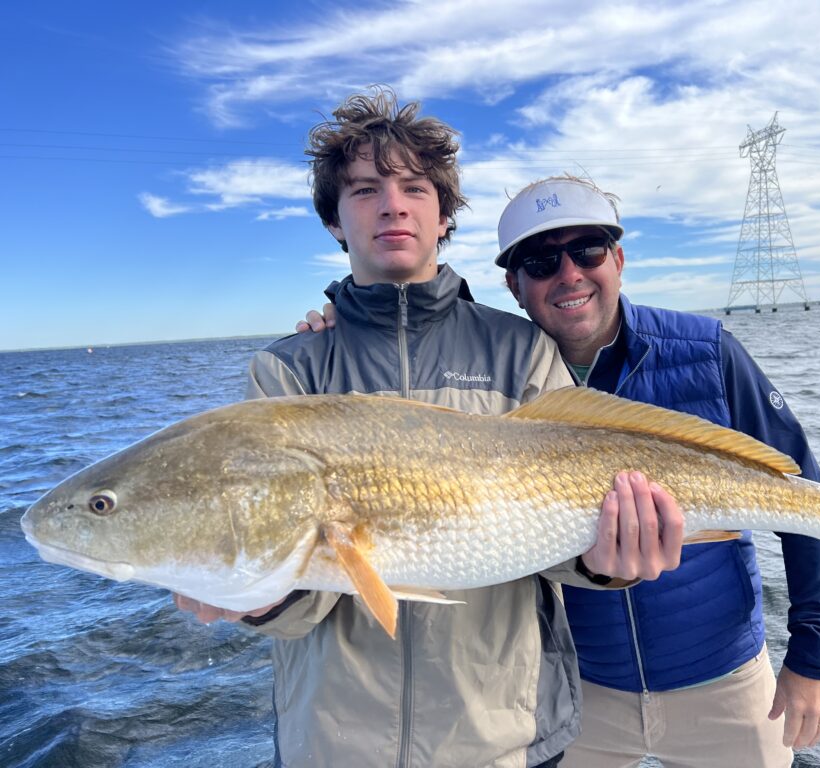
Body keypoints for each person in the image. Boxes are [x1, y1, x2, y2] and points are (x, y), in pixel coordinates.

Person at [176, 93, 685, 768]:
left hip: (505, 739)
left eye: (415, 188)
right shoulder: (285, 371)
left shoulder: (522, 352)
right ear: (334, 219)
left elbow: (554, 548)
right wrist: (252, 595)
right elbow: (301, 605)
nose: (392, 205)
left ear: (444, 216)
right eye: (364, 190)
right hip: (333, 745)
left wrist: (608, 562)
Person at [302, 175, 820, 767]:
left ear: (618, 257)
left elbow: (804, 500)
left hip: (724, 677)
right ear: (513, 285)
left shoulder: (708, 350)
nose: (569, 274)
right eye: (540, 261)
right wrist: (346, 331)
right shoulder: (500, 374)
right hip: (579, 694)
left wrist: (815, 657)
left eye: (587, 249)